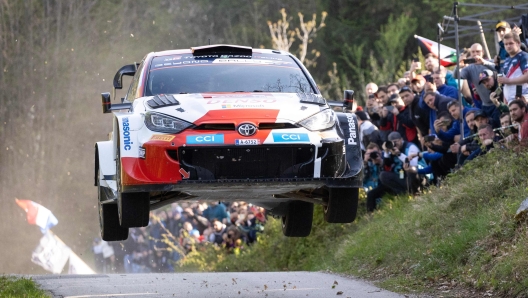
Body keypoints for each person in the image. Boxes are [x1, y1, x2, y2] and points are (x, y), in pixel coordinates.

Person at [497, 32, 528, 103]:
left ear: (518, 43)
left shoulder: (524, 56)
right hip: (510, 102)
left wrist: (508, 81)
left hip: (523, 100)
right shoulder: (507, 59)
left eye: (511, 43)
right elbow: (506, 80)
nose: (508, 46)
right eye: (506, 44)